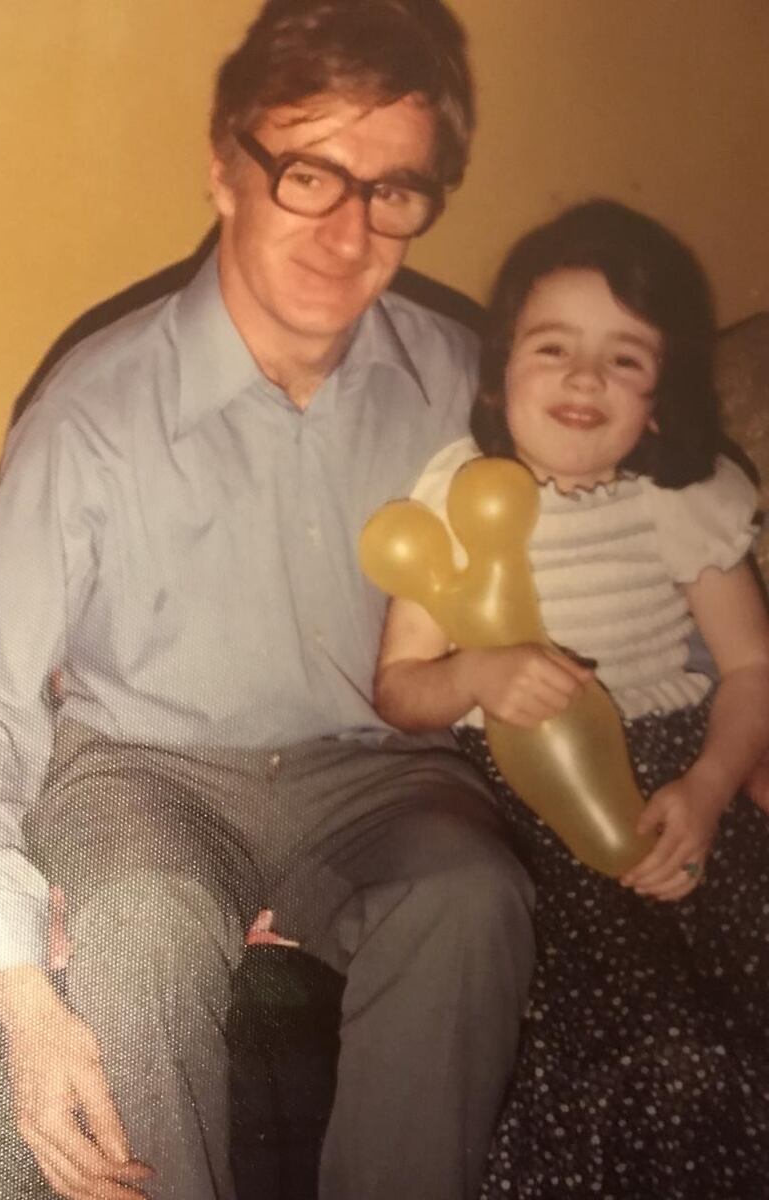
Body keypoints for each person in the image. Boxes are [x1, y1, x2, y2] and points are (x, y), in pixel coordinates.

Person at [0, 3, 536, 1199]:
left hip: (378, 774)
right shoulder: (92, 411)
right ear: (226, 166)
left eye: (393, 191)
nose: (347, 232)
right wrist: (15, 990)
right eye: (309, 173)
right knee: (143, 922)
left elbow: (587, 532)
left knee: (469, 897)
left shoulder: (455, 376)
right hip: (148, 771)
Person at [374, 199, 769, 1198]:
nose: (585, 378)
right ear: (501, 374)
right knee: (651, 1045)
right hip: (522, 798)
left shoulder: (683, 495)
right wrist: (473, 674)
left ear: (658, 393)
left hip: (683, 765)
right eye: (552, 348)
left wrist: (711, 788)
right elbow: (399, 687)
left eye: (624, 357)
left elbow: (751, 668)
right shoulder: (456, 492)